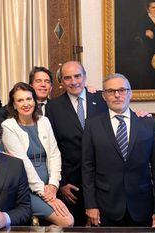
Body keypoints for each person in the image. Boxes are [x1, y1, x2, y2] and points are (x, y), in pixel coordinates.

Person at [82, 73, 155, 227]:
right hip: (105, 207)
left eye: (122, 90)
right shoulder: (92, 125)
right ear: (104, 96)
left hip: (143, 206)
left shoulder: (149, 124)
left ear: (130, 93)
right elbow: (88, 168)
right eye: (111, 91)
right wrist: (90, 205)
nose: (117, 95)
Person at [45, 61, 108, 226]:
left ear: (85, 77)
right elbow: (53, 148)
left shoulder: (102, 99)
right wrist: (62, 183)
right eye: (67, 78)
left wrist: (141, 115)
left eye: (77, 76)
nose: (74, 81)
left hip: (103, 180)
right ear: (61, 82)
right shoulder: (53, 107)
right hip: (72, 185)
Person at [1, 82, 73, 226]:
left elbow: (54, 154)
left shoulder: (44, 121)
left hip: (49, 187)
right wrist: (46, 194)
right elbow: (23, 163)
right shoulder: (8, 126)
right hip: (26, 187)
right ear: (14, 105)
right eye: (20, 100)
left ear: (34, 101)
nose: (26, 104)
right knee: (66, 221)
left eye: (29, 99)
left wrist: (53, 184)